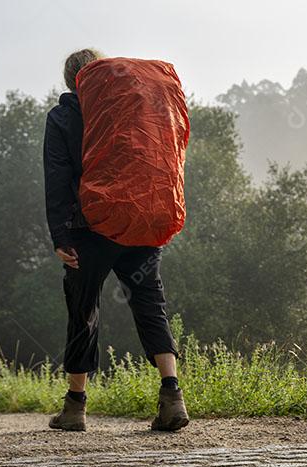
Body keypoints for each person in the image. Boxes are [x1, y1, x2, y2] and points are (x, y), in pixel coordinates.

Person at [43, 49, 189, 432]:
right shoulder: (135, 106)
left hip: (88, 227)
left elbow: (58, 176)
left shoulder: (64, 115)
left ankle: (75, 407)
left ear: (72, 81)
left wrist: (60, 233)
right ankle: (171, 394)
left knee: (83, 307)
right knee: (149, 302)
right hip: (141, 220)